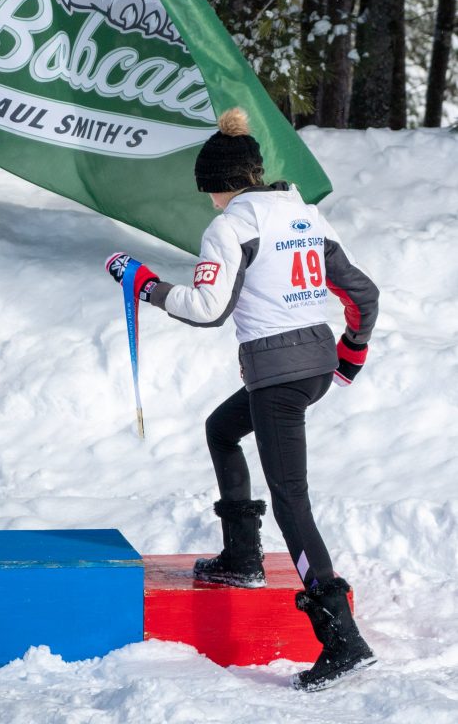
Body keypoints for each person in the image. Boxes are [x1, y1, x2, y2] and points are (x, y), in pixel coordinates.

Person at [105, 108, 379, 692]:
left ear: (218, 186)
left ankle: (342, 639)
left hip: (278, 378)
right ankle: (242, 558)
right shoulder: (306, 216)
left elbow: (208, 309)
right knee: (221, 429)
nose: (209, 201)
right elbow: (364, 294)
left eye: (208, 191)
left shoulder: (229, 228)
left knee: (291, 498)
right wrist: (350, 356)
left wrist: (146, 285)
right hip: (313, 366)